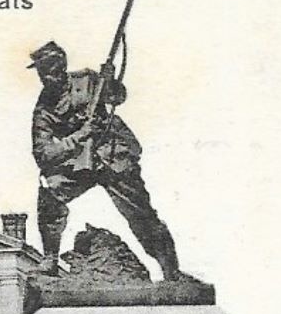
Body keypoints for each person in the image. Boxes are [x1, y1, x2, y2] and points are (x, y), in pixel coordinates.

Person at [28, 39, 181, 279]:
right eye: (45, 73)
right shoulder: (44, 109)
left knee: (141, 214)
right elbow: (43, 154)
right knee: (50, 191)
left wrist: (109, 81)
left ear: (63, 65)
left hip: (113, 154)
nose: (50, 77)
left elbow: (118, 97)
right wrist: (78, 137)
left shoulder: (87, 80)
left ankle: (171, 270)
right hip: (80, 162)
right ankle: (50, 259)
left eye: (55, 70)